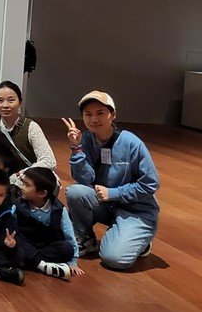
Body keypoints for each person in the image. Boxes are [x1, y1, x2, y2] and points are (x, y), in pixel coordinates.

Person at [63, 91, 159, 270]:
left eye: (100, 113)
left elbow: (150, 184)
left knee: (114, 258)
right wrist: (76, 148)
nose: (94, 119)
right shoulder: (87, 139)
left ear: (113, 115)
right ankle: (85, 237)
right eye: (88, 114)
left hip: (135, 209)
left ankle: (140, 240)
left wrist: (114, 193)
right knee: (75, 192)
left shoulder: (131, 142)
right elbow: (84, 178)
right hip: (107, 205)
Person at [0, 81, 56, 185]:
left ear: (20, 102)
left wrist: (21, 174)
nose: (5, 105)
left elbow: (49, 161)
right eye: (0, 101)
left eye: (11, 100)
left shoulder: (30, 127)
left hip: (26, 179)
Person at [15, 167, 81, 280]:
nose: (22, 187)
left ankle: (33, 263)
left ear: (42, 193)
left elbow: (69, 235)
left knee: (66, 248)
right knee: (16, 241)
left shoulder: (58, 209)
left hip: (47, 246)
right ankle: (45, 266)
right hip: (27, 245)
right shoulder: (18, 205)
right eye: (22, 183)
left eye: (27, 185)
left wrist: (73, 262)